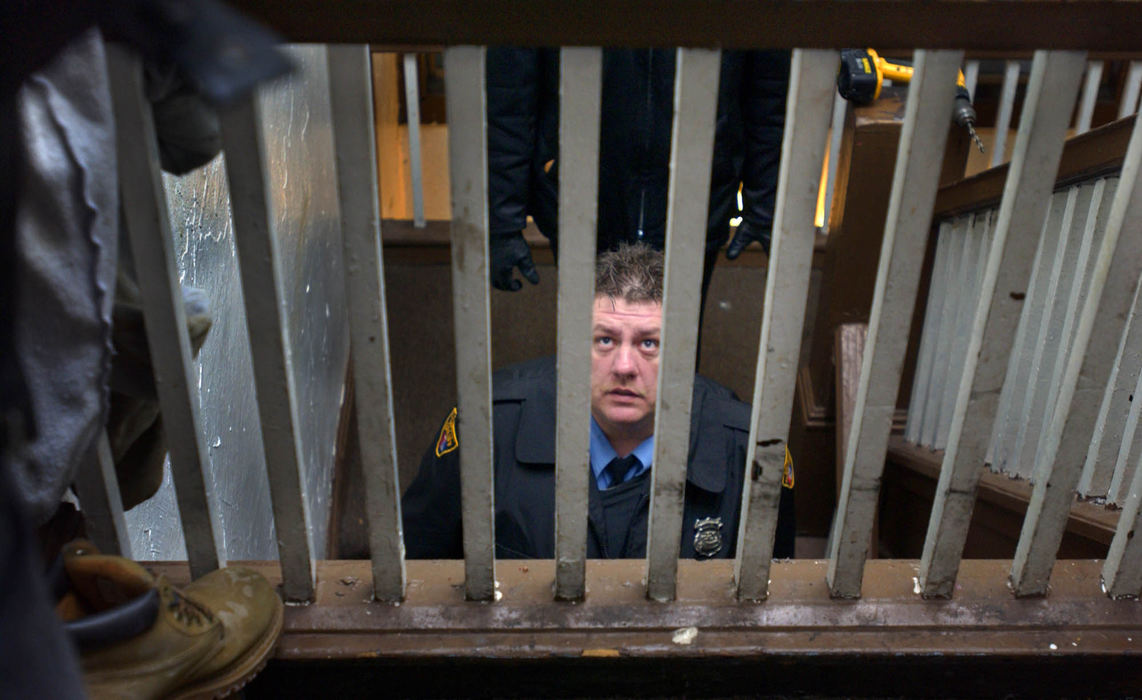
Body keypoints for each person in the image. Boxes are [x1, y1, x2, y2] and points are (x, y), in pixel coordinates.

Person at [403, 242, 795, 559]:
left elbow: (774, 594)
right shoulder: (489, 426)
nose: (624, 366)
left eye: (649, 344)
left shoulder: (749, 449)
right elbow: (419, 565)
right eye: (605, 340)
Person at [485, 48, 790, 305]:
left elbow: (769, 86)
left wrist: (765, 202)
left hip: (694, 195)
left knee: (673, 349)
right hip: (583, 192)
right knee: (587, 346)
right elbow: (510, 88)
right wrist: (503, 220)